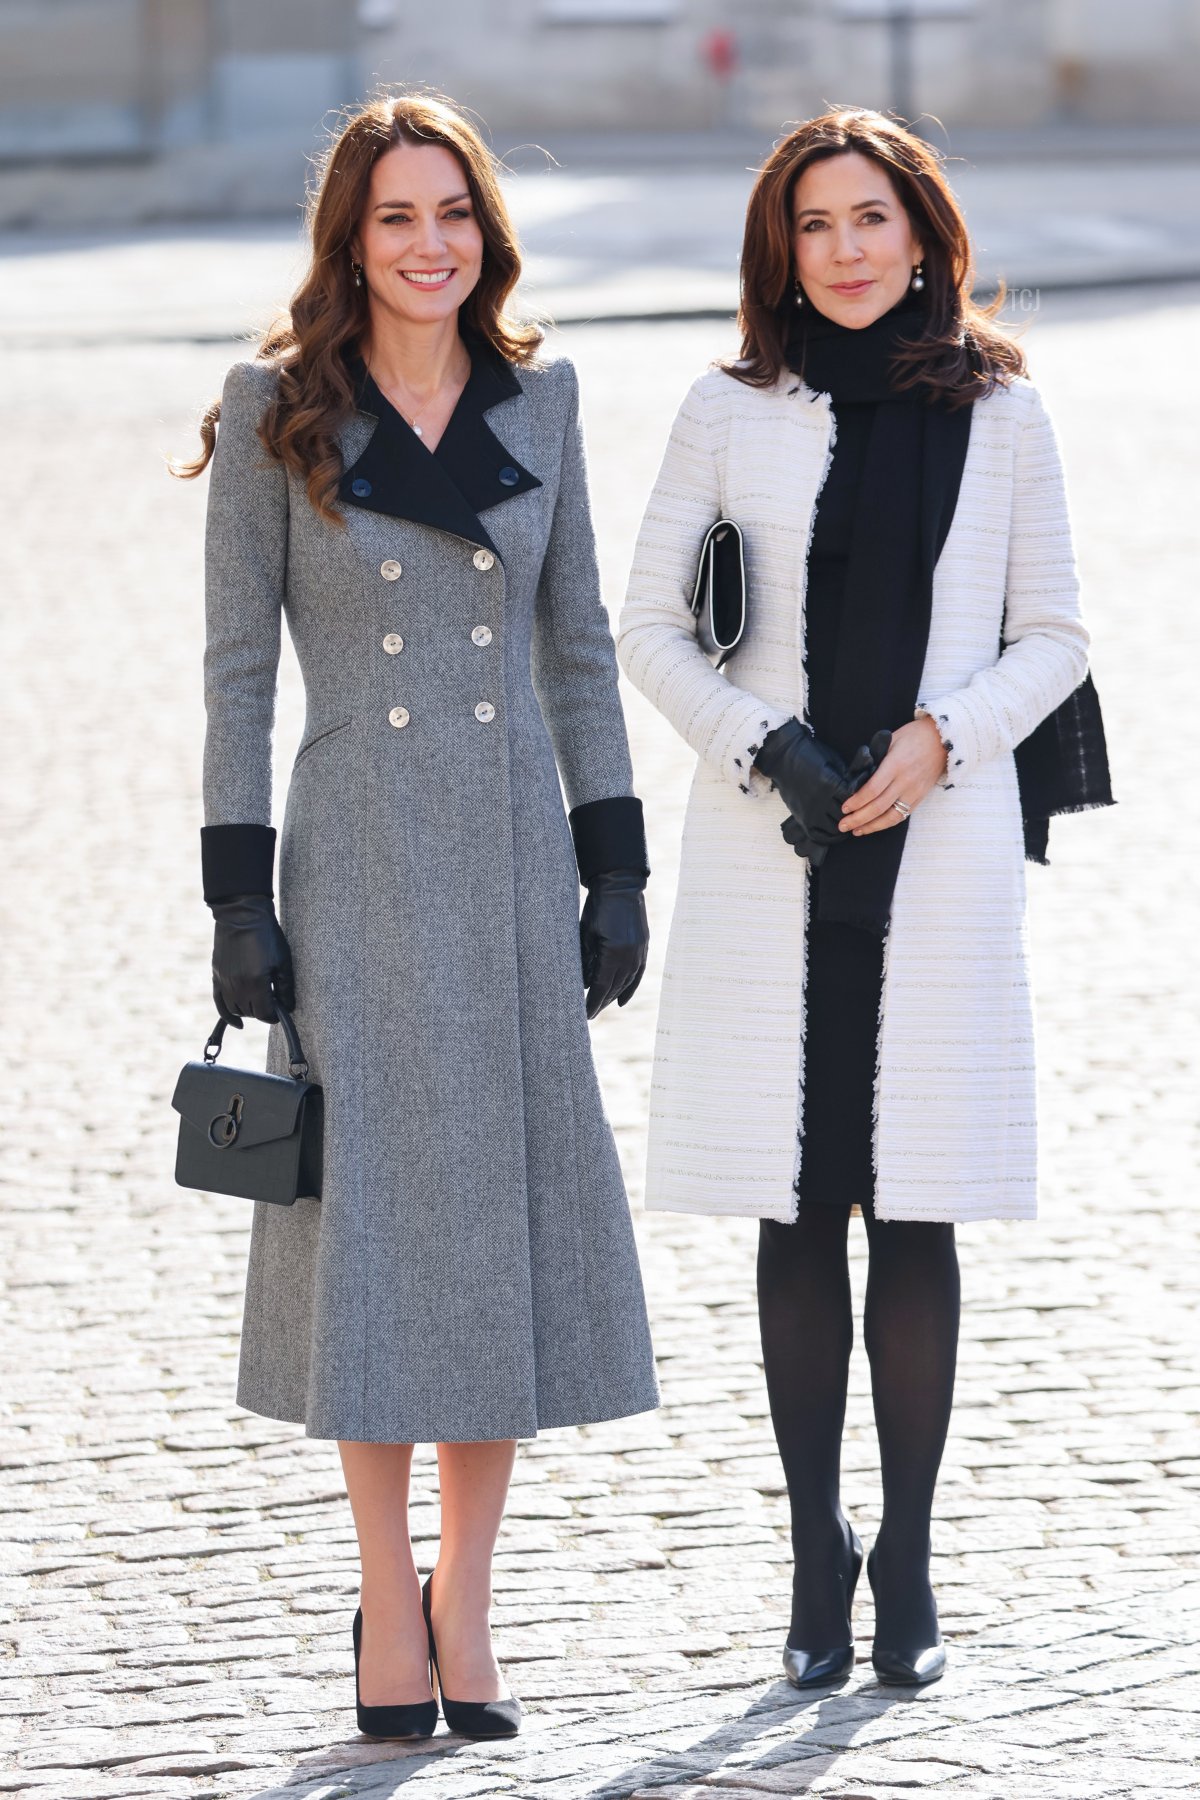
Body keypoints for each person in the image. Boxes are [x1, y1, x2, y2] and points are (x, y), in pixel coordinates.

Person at [173, 90, 659, 1741]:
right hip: (358, 862)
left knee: (496, 1231)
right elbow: (239, 668)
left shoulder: (547, 396)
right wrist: (239, 894)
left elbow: (577, 646)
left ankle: (473, 1594)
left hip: (516, 853)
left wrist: (620, 862)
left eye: (453, 210)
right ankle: (389, 1591)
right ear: (349, 240)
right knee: (375, 1235)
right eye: (395, 216)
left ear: (486, 230)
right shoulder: (273, 409)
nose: (430, 242)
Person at [618, 107, 1111, 1689]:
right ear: (782, 247)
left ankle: (904, 1551)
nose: (844, 250)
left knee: (914, 1205)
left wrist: (940, 738)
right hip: (776, 855)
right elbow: (648, 629)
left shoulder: (1006, 413)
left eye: (871, 220)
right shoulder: (725, 407)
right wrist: (768, 745)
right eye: (815, 224)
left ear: (923, 234)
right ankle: (811, 1555)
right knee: (794, 1198)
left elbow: (1059, 636)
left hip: (937, 848)